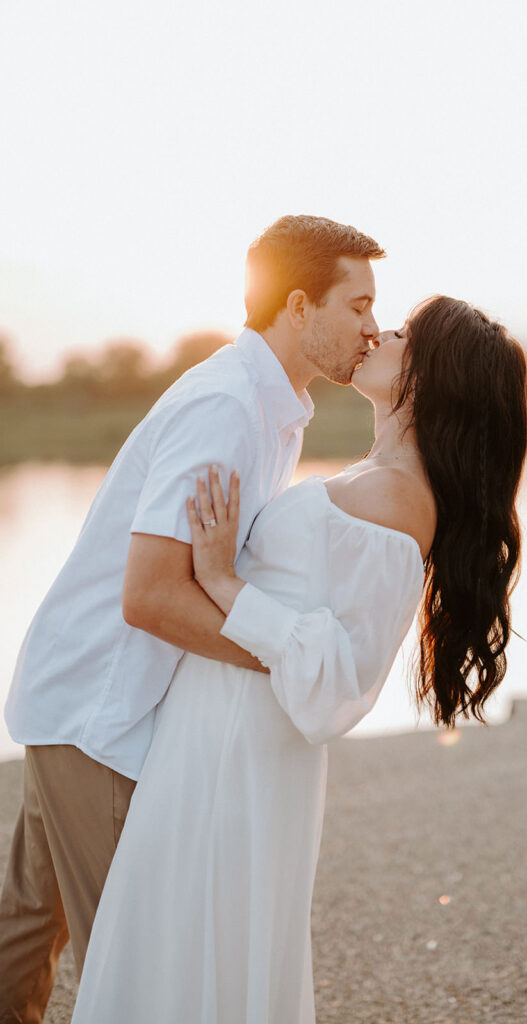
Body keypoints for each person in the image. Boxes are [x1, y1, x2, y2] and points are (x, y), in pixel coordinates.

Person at [70, 295, 527, 1023]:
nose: (380, 331)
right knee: (178, 941)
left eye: (404, 331)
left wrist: (223, 580)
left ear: (434, 374)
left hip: (243, 749)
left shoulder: (398, 500)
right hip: (216, 732)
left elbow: (344, 679)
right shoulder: (380, 478)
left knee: (199, 942)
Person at [0, 214, 386, 1024]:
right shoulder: (226, 407)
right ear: (297, 306)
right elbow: (150, 595)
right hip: (99, 711)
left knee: (26, 929)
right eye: (357, 306)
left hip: (79, 694)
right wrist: (286, 659)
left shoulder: (270, 407)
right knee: (137, 963)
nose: (371, 327)